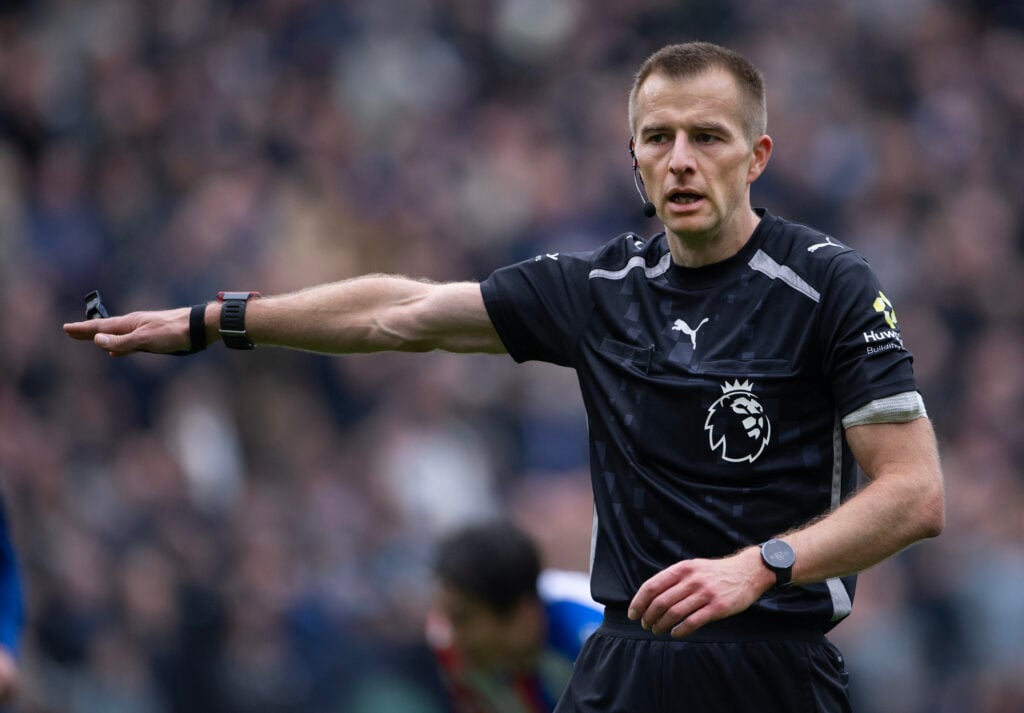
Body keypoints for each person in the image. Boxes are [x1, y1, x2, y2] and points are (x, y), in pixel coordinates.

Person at [64, 41, 945, 712]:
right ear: (633, 158)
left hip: (773, 665)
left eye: (706, 137)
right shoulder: (599, 291)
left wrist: (758, 566)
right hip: (628, 660)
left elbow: (914, 492)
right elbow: (398, 313)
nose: (680, 158)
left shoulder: (828, 284)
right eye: (657, 137)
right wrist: (216, 320)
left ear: (755, 157)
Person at [426, 520, 602, 713]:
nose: (450, 636)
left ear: (521, 614)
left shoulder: (594, 636)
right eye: (444, 616)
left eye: (462, 618)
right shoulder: (449, 651)